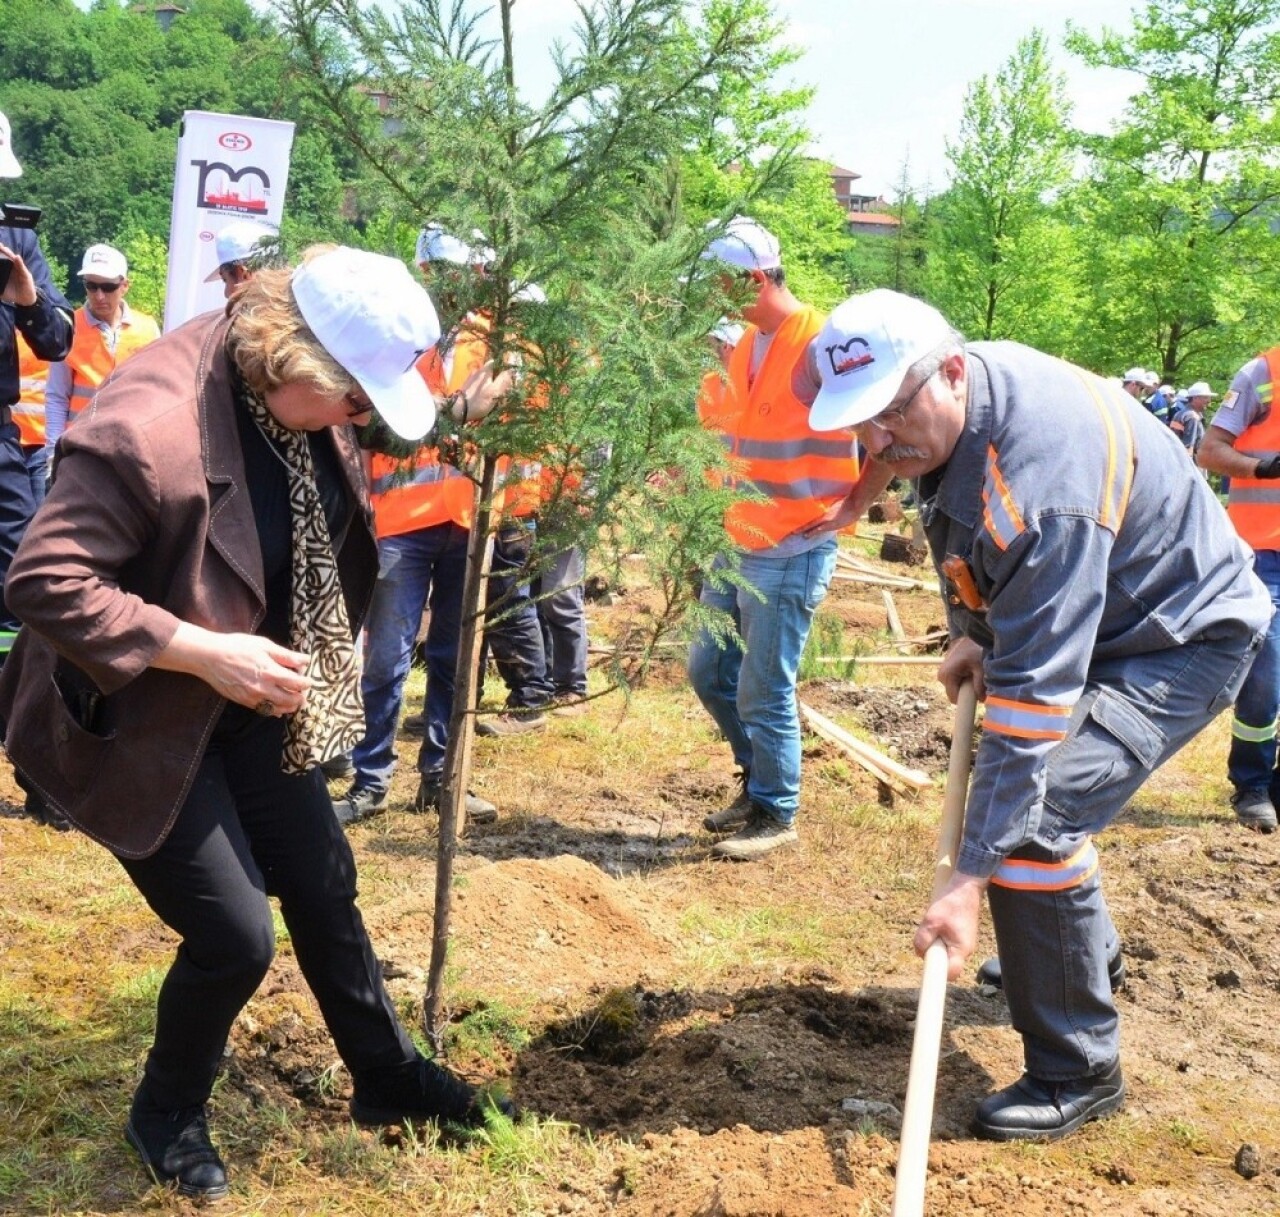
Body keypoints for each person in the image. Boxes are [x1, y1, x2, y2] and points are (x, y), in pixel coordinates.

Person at [0, 246, 511, 1201]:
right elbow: (42, 581)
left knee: (324, 876)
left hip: (243, 689)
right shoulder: (148, 430)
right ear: (301, 365)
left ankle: (386, 1074)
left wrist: (323, 636)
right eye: (354, 403)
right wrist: (203, 649)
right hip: (139, 709)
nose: (360, 423)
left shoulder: (287, 393)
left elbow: (315, 515)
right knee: (235, 935)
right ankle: (165, 1114)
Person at [800, 288, 1270, 1141]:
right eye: (858, 424)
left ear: (948, 370)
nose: (875, 444)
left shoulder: (1039, 484)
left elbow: (1031, 714)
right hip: (1108, 609)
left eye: (887, 416)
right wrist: (976, 629)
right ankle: (1071, 955)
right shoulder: (958, 405)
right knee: (1022, 814)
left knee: (1029, 823)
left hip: (1180, 638)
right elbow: (969, 533)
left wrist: (966, 878)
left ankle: (1077, 1069)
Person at [685, 215, 880, 861]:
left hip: (793, 542)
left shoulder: (822, 341)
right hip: (737, 539)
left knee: (764, 686)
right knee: (710, 670)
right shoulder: (747, 344)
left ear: (752, 277)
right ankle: (755, 776)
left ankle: (776, 810)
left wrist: (855, 504)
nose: (712, 300)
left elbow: (881, 427)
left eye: (718, 286)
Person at [336, 225, 511, 827]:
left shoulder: (496, 340)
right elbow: (382, 424)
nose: (452, 283)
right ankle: (371, 778)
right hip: (400, 525)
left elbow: (509, 424)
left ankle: (442, 776)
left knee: (454, 658)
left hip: (468, 521)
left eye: (461, 270)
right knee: (385, 659)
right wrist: (459, 410)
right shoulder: (396, 336)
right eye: (438, 270)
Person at [0, 110, 73, 669]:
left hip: (4, 435)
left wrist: (26, 296)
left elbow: (56, 341)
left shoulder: (16, 235)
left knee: (17, 566)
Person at [1197, 350, 1280, 832]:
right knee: (1267, 674)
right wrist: (1264, 468)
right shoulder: (1263, 374)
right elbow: (1209, 451)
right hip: (1264, 555)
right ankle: (1251, 784)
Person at [44, 244, 160, 464]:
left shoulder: (148, 329)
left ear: (124, 285)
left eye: (108, 287)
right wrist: (53, 453)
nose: (99, 296)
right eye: (91, 285)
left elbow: (154, 396)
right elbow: (57, 396)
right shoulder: (69, 327)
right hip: (78, 450)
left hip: (129, 451)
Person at [204, 218, 279, 298]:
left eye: (225, 280)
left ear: (244, 274)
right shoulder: (290, 300)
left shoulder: (263, 309)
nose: (226, 294)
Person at [1169, 380, 1214, 457]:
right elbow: (1188, 449)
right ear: (1195, 398)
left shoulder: (1179, 414)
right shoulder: (1192, 417)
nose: (1209, 401)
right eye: (1205, 397)